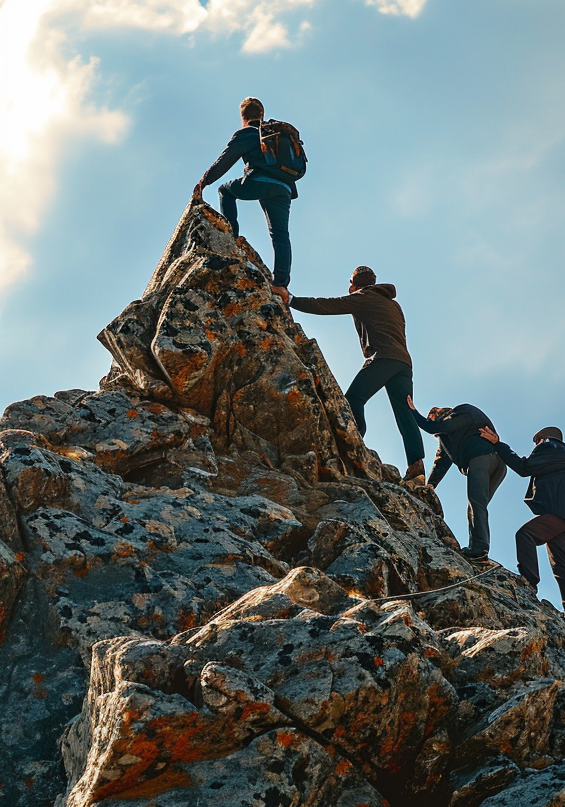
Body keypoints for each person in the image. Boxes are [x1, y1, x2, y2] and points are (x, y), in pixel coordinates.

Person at [289, 267, 425, 480]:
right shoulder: (393, 304)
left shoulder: (364, 297)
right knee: (405, 414)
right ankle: (417, 468)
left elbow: (329, 305)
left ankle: (355, 439)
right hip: (404, 363)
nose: (349, 286)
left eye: (350, 281)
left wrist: (291, 300)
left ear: (356, 283)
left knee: (354, 398)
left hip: (384, 357)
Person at [194, 98, 297, 299]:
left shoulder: (248, 133)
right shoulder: (274, 134)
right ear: (262, 115)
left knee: (225, 191)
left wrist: (203, 182)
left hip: (260, 181)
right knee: (280, 235)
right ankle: (281, 285)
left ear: (243, 117)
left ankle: (230, 237)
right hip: (284, 188)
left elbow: (224, 161)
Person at [478, 424, 565, 614]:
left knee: (525, 534)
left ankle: (528, 581)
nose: (534, 445)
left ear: (542, 438)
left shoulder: (550, 446)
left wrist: (498, 444)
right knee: (561, 565)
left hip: (557, 514)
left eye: (536, 441)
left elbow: (524, 467)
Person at [407, 400, 506, 560]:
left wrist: (412, 411)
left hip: (482, 458)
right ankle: (478, 548)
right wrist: (432, 484)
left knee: (476, 503)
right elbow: (442, 460)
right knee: (476, 506)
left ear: (437, 414)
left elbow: (434, 427)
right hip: (496, 465)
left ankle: (479, 549)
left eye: (432, 416)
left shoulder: (463, 412)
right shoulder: (448, 437)